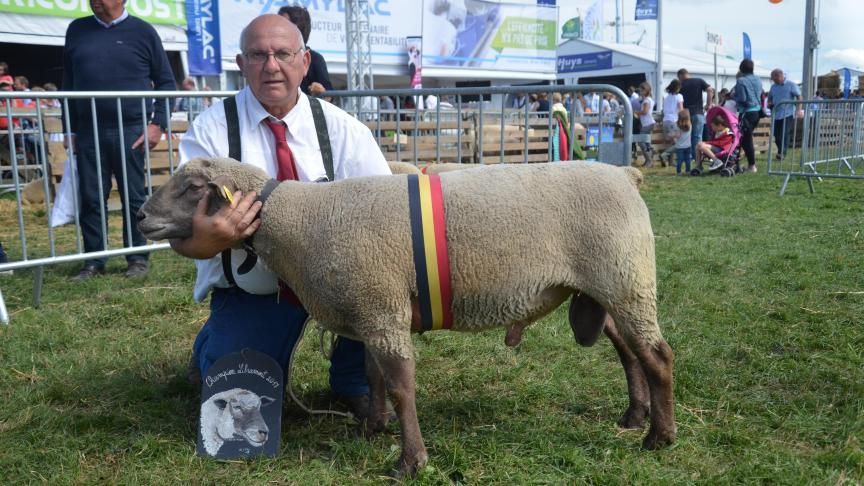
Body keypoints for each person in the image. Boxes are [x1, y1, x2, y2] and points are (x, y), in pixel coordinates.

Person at [174, 15, 392, 418]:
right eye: (258, 55)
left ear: (304, 61)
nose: (271, 66)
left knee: (376, 294)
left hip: (335, 279)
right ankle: (215, 343)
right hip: (256, 287)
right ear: (241, 64)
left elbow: (385, 211)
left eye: (283, 54)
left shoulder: (344, 130)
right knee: (238, 394)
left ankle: (353, 382)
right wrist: (213, 235)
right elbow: (186, 227)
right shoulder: (212, 130)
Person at [62, 0, 176, 280]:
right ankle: (93, 260)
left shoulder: (143, 31)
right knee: (90, 197)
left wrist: (157, 123)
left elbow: (165, 82)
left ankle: (137, 258)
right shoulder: (77, 30)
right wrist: (69, 129)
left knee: (134, 196)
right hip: (89, 130)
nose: (96, 0)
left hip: (131, 129)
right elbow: (68, 82)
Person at [277, 5, 332, 98]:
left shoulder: (315, 59)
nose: (275, 27)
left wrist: (321, 91)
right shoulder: (269, 56)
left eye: (282, 24)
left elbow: (330, 96)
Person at [732, 59, 762, 173]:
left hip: (747, 112)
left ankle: (751, 166)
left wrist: (733, 96)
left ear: (741, 68)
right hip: (757, 112)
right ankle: (746, 163)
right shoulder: (758, 79)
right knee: (746, 138)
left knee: (745, 140)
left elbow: (743, 99)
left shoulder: (741, 81)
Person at [677, 68, 715, 155]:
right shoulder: (699, 80)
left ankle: (689, 156)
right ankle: (697, 157)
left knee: (686, 137)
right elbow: (710, 90)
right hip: (698, 113)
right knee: (697, 137)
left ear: (680, 76)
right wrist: (709, 104)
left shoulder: (680, 85)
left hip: (685, 115)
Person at [767, 68, 803, 161]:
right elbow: (770, 98)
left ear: (779, 76)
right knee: (776, 134)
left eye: (773, 78)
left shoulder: (791, 85)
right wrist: (770, 103)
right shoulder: (773, 87)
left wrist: (799, 110)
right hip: (776, 114)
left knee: (784, 133)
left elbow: (799, 96)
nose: (772, 80)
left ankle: (782, 153)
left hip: (787, 113)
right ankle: (780, 150)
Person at [660, 79, 684, 166]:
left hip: (665, 121)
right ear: (678, 87)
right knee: (678, 142)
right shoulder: (679, 96)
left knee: (673, 142)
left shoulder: (666, 97)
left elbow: (663, 110)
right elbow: (681, 110)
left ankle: (671, 162)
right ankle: (664, 155)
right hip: (674, 120)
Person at [634, 81, 656, 167]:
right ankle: (649, 161)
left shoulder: (646, 100)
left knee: (641, 141)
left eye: (641, 90)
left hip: (647, 123)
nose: (640, 92)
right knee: (646, 143)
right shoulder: (648, 99)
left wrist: (636, 113)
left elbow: (645, 111)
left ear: (646, 90)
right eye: (639, 90)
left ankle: (649, 161)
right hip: (648, 123)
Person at [673, 108, 692, 175]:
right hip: (688, 145)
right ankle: (688, 171)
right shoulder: (690, 125)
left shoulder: (677, 126)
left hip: (679, 146)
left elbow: (677, 136)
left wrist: (671, 135)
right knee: (688, 160)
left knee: (679, 160)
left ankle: (679, 172)